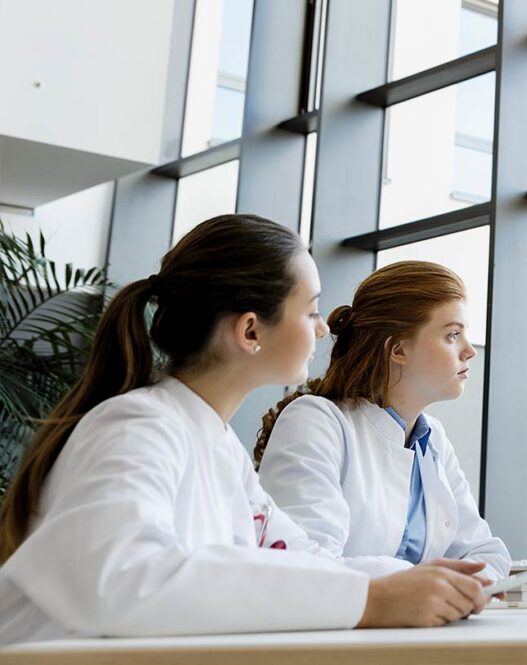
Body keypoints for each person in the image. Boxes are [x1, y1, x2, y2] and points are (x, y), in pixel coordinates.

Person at [0, 215, 491, 645]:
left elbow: (299, 558)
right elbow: (123, 579)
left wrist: (417, 585)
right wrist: (369, 597)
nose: (323, 330)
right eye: (311, 310)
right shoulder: (135, 428)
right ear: (251, 331)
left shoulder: (216, 447)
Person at [255, 261, 509, 582]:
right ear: (398, 349)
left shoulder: (433, 439)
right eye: (453, 335)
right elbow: (303, 565)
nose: (469, 350)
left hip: (418, 627)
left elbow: (486, 553)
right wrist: (420, 583)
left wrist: (446, 587)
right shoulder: (316, 422)